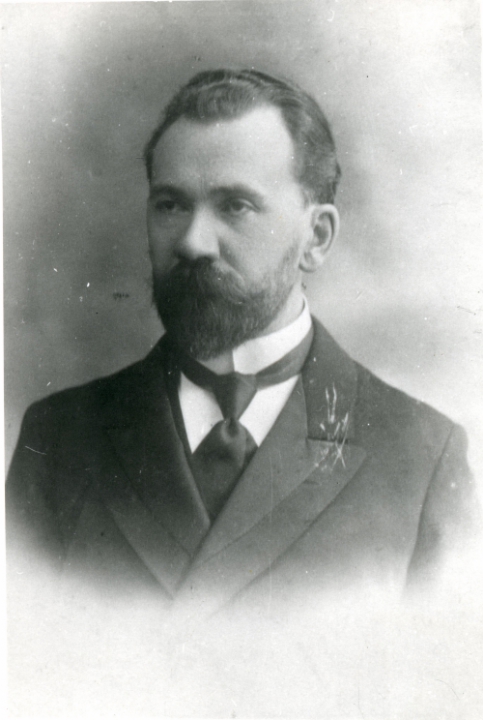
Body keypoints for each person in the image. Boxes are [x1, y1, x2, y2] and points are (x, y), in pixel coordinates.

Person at [6, 69, 477, 615]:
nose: (192, 243)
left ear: (316, 237)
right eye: (171, 205)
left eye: (235, 206)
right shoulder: (59, 440)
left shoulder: (421, 458)